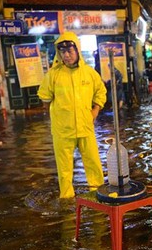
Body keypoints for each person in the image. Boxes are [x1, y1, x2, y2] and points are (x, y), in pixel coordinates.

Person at [37, 31, 107, 200]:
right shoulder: (53, 75)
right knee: (64, 168)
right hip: (62, 130)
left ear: (78, 50)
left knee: (93, 163)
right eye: (63, 52)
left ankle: (96, 194)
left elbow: (101, 92)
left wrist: (95, 110)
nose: (66, 55)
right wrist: (56, 115)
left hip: (85, 125)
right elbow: (45, 98)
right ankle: (67, 198)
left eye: (70, 51)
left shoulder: (89, 73)